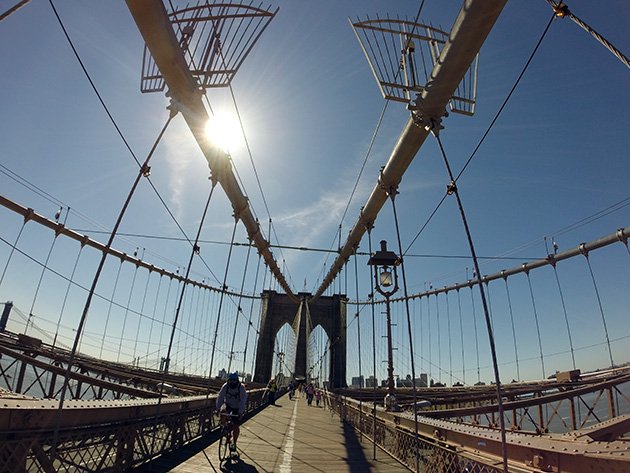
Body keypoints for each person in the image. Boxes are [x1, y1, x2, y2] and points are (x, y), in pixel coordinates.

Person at [216, 372, 248, 452]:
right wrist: (218, 409)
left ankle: (234, 442)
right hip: (228, 404)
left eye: (234, 380)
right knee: (223, 412)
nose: (232, 382)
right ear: (228, 380)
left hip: (237, 407)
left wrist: (240, 412)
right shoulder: (225, 386)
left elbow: (242, 401)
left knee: (236, 425)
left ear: (237, 380)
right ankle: (225, 428)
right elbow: (220, 397)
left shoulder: (241, 388)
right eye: (231, 380)